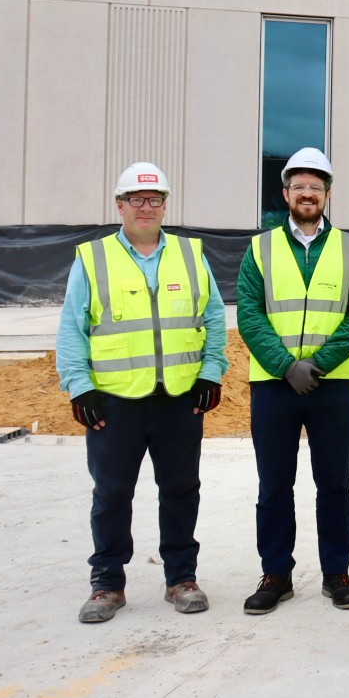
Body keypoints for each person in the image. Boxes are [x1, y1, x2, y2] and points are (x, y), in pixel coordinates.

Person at [58, 162, 226, 624]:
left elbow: (213, 318)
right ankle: (108, 583)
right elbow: (72, 328)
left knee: (180, 490)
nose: (146, 207)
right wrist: (79, 385)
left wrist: (211, 372)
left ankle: (181, 578)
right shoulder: (91, 259)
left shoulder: (191, 255)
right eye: (136, 199)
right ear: (120, 205)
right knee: (112, 493)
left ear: (165, 205)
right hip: (115, 402)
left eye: (154, 200)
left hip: (179, 398)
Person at [239, 147, 349, 615]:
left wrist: (317, 364)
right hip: (274, 386)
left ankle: (336, 572)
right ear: (285, 194)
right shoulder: (261, 247)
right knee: (274, 485)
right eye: (299, 186)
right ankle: (276, 573)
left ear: (328, 194)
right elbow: (250, 313)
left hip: (333, 385)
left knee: (333, 483)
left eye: (316, 187)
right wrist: (283, 365)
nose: (308, 194)